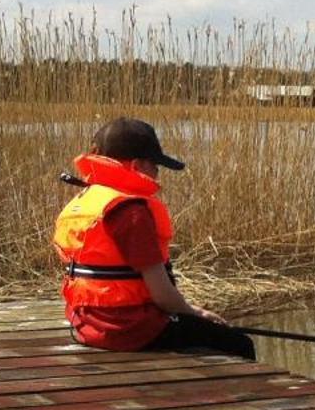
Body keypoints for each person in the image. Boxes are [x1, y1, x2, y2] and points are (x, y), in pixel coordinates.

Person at [52, 116, 255, 359]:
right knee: (239, 344)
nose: (158, 174)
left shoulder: (88, 201)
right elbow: (162, 295)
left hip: (87, 325)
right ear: (137, 166)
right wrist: (197, 313)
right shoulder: (132, 213)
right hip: (131, 330)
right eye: (155, 166)